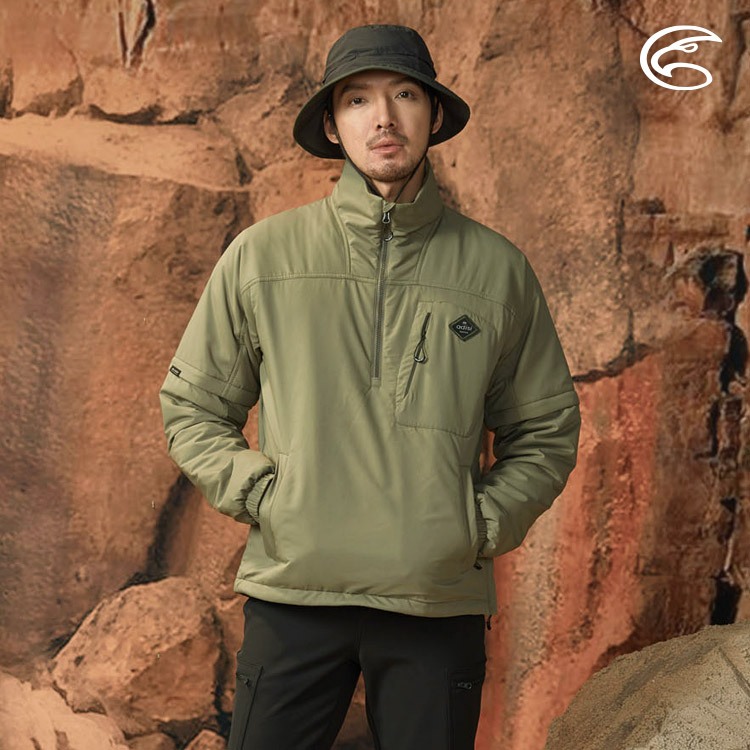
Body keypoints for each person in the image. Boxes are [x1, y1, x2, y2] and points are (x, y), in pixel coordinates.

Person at [159, 23, 581, 750]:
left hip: (434, 602)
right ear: (332, 125)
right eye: (357, 100)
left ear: (434, 114)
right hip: (295, 595)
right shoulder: (263, 257)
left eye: (404, 96)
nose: (382, 118)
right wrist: (267, 497)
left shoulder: (498, 271)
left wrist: (475, 526)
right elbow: (192, 406)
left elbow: (546, 429)